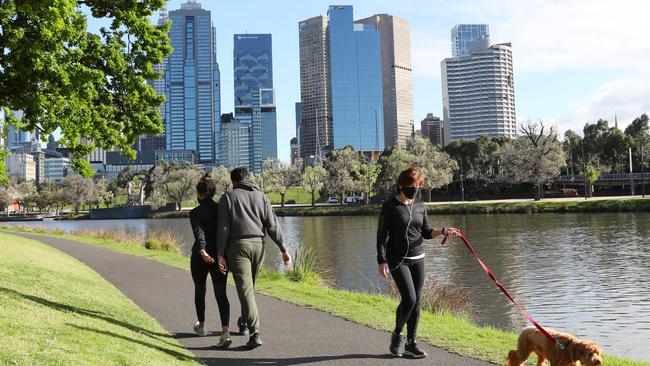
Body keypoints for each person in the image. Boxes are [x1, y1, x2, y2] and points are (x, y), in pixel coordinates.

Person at [376, 167, 460, 359]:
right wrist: (381, 260)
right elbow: (381, 236)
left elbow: (426, 232)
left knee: (416, 301)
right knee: (410, 299)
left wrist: (443, 231)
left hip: (418, 258)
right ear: (400, 186)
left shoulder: (421, 205)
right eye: (410, 185)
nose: (414, 188)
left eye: (417, 185)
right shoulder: (390, 206)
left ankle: (411, 343)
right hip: (397, 259)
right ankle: (397, 335)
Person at [216, 166, 292, 349]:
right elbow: (273, 225)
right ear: (248, 178)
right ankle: (243, 322)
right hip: (259, 245)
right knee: (248, 289)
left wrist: (220, 253)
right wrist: (284, 248)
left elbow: (223, 229)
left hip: (238, 247)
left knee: (246, 290)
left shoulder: (228, 197)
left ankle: (255, 332)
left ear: (234, 181)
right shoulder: (262, 197)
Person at [189, 173, 231, 348]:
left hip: (200, 256)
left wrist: (202, 250)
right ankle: (225, 331)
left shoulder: (194, 212)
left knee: (200, 289)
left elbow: (199, 233)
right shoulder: (220, 209)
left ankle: (202, 325)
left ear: (199, 194)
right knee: (221, 293)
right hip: (220, 254)